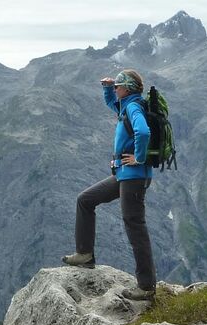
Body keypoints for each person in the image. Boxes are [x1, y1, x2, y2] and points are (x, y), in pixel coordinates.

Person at [61, 69, 157, 301]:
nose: (115, 89)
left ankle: (146, 286)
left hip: (134, 175)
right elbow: (112, 104)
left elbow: (143, 132)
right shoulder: (126, 106)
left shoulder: (133, 107)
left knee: (134, 224)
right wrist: (107, 88)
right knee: (86, 199)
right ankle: (85, 254)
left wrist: (139, 158)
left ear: (127, 88)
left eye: (117, 86)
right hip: (125, 174)